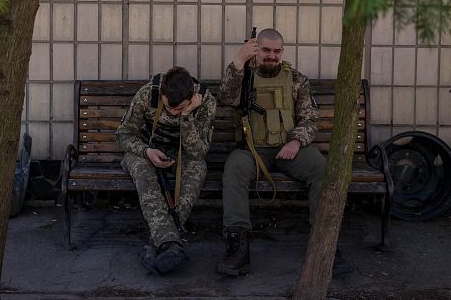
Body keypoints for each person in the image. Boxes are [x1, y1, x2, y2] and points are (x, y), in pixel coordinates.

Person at [215, 28, 325, 276]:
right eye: (265, 50)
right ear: (256, 50)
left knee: (320, 167)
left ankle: (323, 243)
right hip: (252, 151)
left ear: (282, 51)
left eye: (276, 51)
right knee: (234, 168)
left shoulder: (296, 79)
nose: (271, 56)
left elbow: (310, 118)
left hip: (289, 150)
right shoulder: (244, 75)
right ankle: (237, 248)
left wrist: (295, 142)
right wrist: (238, 61)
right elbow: (226, 97)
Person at [116, 66, 216, 275]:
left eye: (180, 108)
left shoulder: (205, 102)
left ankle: (157, 244)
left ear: (191, 98)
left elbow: (198, 153)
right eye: (170, 107)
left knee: (198, 168)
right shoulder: (148, 94)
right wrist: (147, 151)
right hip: (144, 152)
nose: (173, 112)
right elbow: (124, 135)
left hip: (182, 155)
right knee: (143, 170)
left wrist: (187, 117)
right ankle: (169, 243)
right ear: (162, 94)